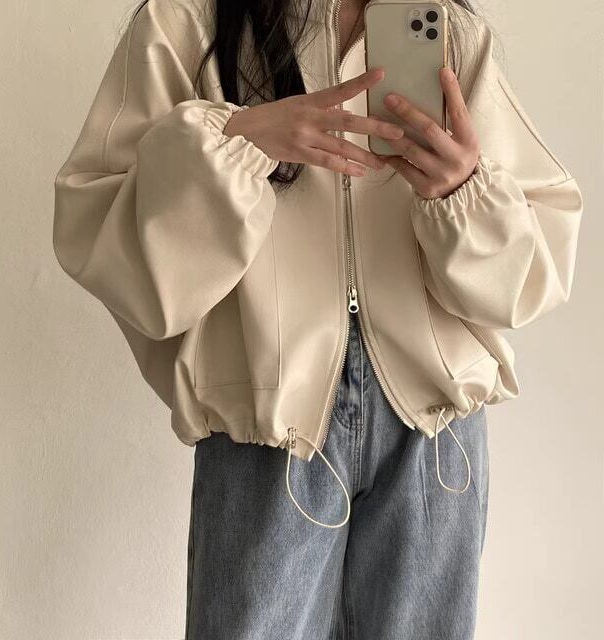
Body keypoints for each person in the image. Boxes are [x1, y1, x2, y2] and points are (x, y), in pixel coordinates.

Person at [52, 0, 583, 638]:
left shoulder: (447, 33)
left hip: (434, 441)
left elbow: (537, 267)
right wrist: (237, 141)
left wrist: (463, 191)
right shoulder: (186, 24)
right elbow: (103, 237)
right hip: (265, 434)